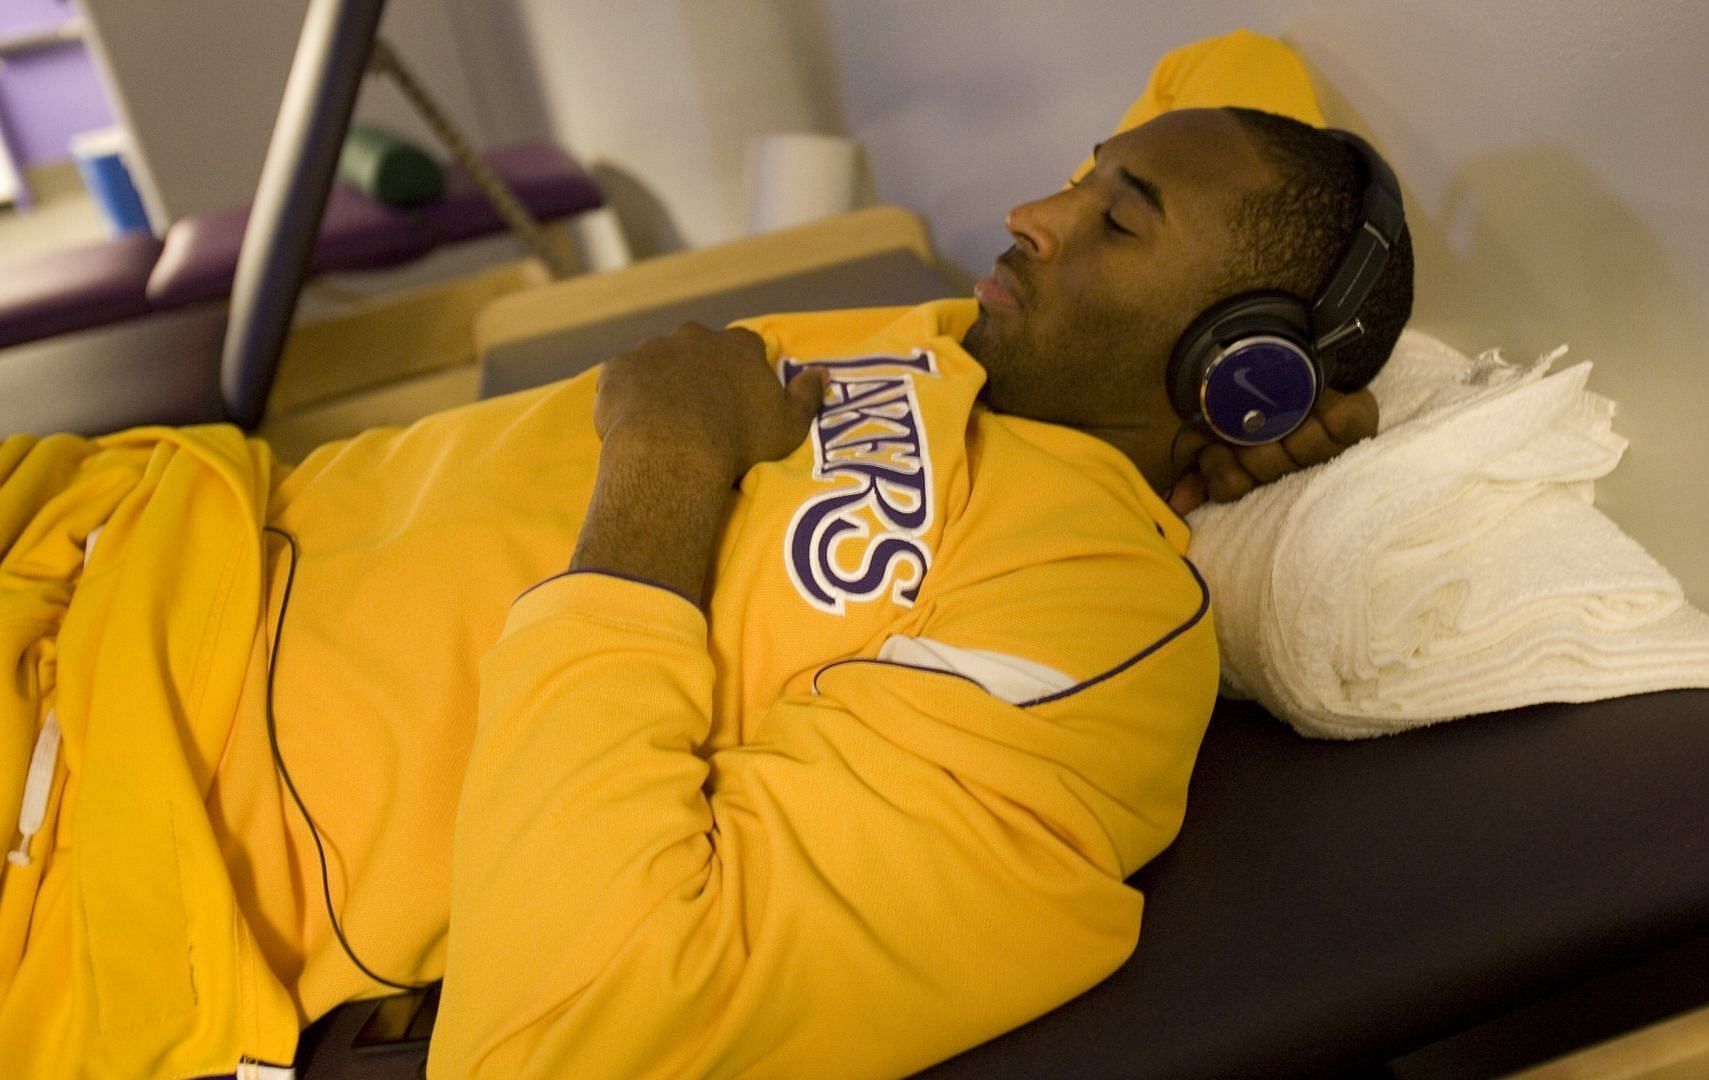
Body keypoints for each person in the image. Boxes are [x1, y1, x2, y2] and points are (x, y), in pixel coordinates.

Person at [0, 98, 1411, 1078]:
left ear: (1238, 355)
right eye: (1082, 173)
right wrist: (1244, 405)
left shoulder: (1096, 613)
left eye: (1119, 218)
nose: (1033, 215)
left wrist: (665, 474)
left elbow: (574, 1035)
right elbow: (1246, 102)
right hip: (108, 516)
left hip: (100, 798)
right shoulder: (985, 351)